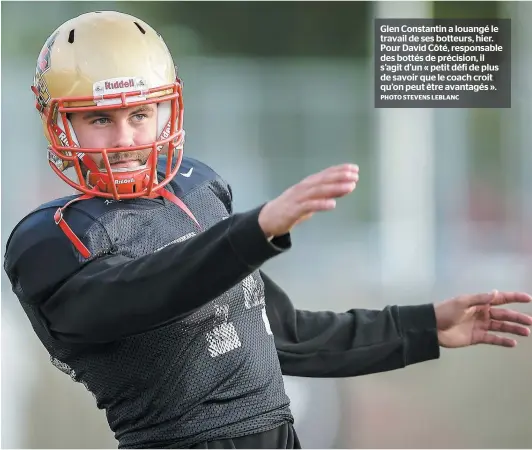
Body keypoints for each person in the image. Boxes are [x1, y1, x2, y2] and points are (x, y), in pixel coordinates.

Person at [4, 11, 531, 450]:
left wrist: (422, 327)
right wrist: (251, 233)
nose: (126, 139)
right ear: (60, 123)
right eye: (100, 120)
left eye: (141, 114)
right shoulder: (50, 239)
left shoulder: (197, 190)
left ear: (168, 109)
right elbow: (148, 290)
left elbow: (282, 334)